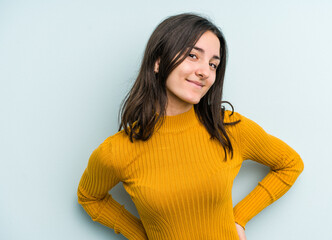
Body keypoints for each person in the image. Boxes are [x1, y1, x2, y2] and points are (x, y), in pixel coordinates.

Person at [77, 13, 304, 240]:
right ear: (158, 62)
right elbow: (88, 197)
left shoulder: (227, 127)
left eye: (213, 64)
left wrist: (239, 218)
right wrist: (141, 235)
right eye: (193, 55)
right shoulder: (118, 151)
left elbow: (290, 164)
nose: (205, 71)